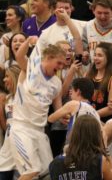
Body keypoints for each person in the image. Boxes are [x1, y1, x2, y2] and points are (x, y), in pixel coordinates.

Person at [0, 39, 66, 179]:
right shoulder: (31, 67)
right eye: (59, 63)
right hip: (21, 129)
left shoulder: (57, 83)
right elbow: (19, 56)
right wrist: (28, 41)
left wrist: (64, 116)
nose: (61, 67)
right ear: (48, 58)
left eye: (63, 64)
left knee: (48, 172)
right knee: (31, 170)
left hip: (40, 132)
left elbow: (58, 108)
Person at [48, 77, 112, 151]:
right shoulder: (95, 113)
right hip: (90, 153)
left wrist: (60, 117)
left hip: (73, 150)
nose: (70, 92)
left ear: (78, 91)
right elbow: (103, 134)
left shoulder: (73, 104)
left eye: (72, 89)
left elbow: (50, 118)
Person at [49, 115, 112, 180]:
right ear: (97, 136)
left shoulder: (55, 163)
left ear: (73, 134)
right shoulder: (99, 160)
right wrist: (105, 148)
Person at [87, 42, 112, 123]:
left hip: (105, 124)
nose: (95, 58)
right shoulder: (88, 74)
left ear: (109, 58)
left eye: (100, 55)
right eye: (95, 55)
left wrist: (91, 115)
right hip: (87, 121)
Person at [0, 65, 20, 180]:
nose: (4, 80)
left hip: (22, 150)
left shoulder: (26, 97)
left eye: (7, 76)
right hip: (7, 150)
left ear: (14, 77)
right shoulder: (7, 99)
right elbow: (5, 126)